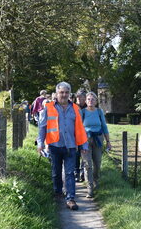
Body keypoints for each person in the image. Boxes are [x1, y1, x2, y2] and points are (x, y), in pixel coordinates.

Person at [37, 82, 88, 210]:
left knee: (70, 173)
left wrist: (84, 145)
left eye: (66, 92)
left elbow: (80, 129)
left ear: (69, 94)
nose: (64, 95)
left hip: (71, 146)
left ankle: (70, 198)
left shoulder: (76, 108)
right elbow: (42, 127)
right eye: (61, 92)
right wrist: (40, 143)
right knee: (56, 172)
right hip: (54, 145)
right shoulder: (48, 108)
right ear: (57, 93)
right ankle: (58, 193)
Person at [81, 91, 112, 198]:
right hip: (85, 140)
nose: (91, 101)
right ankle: (90, 188)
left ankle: (95, 180)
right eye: (88, 99)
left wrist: (108, 142)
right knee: (87, 164)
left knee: (97, 163)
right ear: (85, 101)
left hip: (98, 139)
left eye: (93, 99)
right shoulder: (82, 112)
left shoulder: (99, 112)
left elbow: (104, 126)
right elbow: (79, 128)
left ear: (96, 101)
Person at [75, 89, 87, 182]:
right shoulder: (73, 106)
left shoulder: (88, 107)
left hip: (86, 134)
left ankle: (83, 172)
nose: (79, 99)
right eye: (78, 97)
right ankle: (76, 173)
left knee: (84, 153)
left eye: (82, 97)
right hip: (75, 134)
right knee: (76, 154)